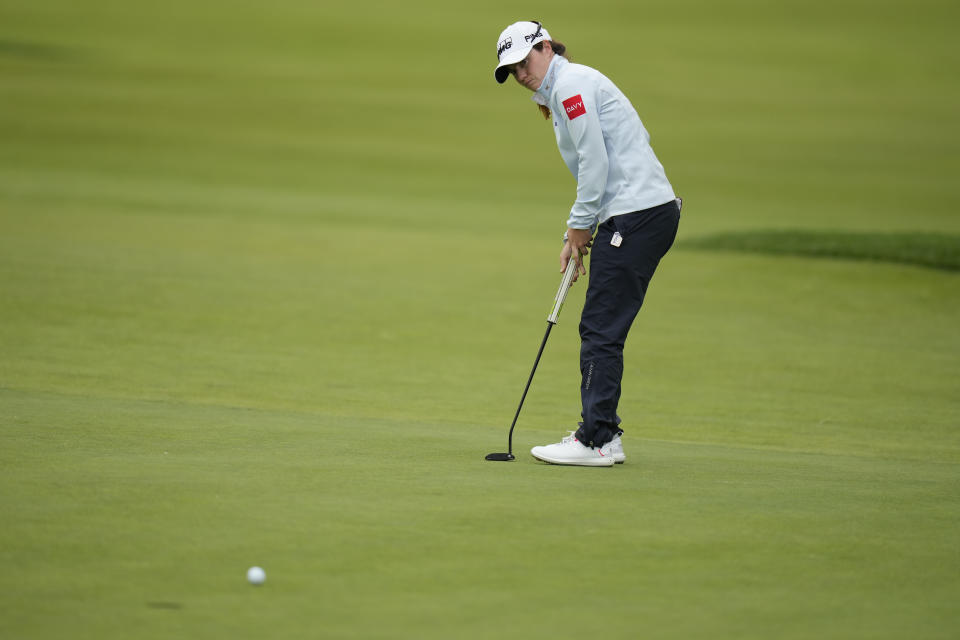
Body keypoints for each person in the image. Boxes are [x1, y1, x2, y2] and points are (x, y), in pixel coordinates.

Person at [494, 21, 682, 467]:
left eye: (524, 62)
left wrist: (580, 226)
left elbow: (595, 162)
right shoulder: (564, 90)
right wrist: (575, 234)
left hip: (638, 214)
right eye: (512, 71)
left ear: (545, 47)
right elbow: (596, 168)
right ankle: (603, 436)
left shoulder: (571, 86)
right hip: (639, 213)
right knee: (602, 326)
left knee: (600, 329)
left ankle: (596, 439)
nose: (521, 75)